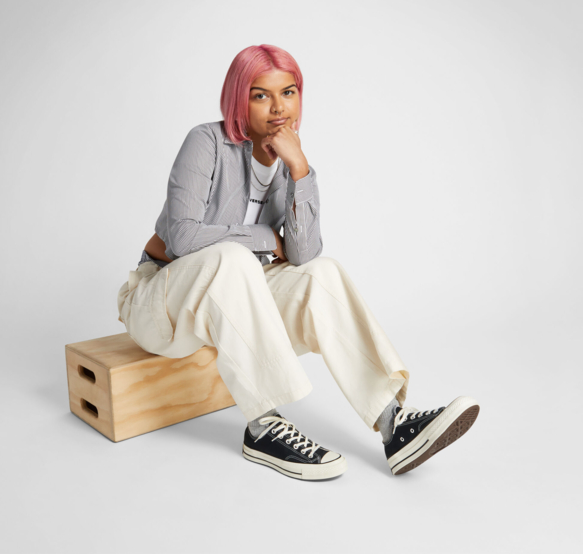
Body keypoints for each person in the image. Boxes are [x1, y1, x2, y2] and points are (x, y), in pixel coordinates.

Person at [117, 44, 480, 481]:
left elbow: (304, 255)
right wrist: (266, 238)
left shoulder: (293, 163)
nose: (278, 108)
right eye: (260, 95)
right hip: (160, 302)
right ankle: (262, 426)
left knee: (322, 273)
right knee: (232, 258)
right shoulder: (206, 142)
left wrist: (300, 170)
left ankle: (393, 424)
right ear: (238, 99)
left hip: (233, 302)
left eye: (288, 92)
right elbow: (183, 237)